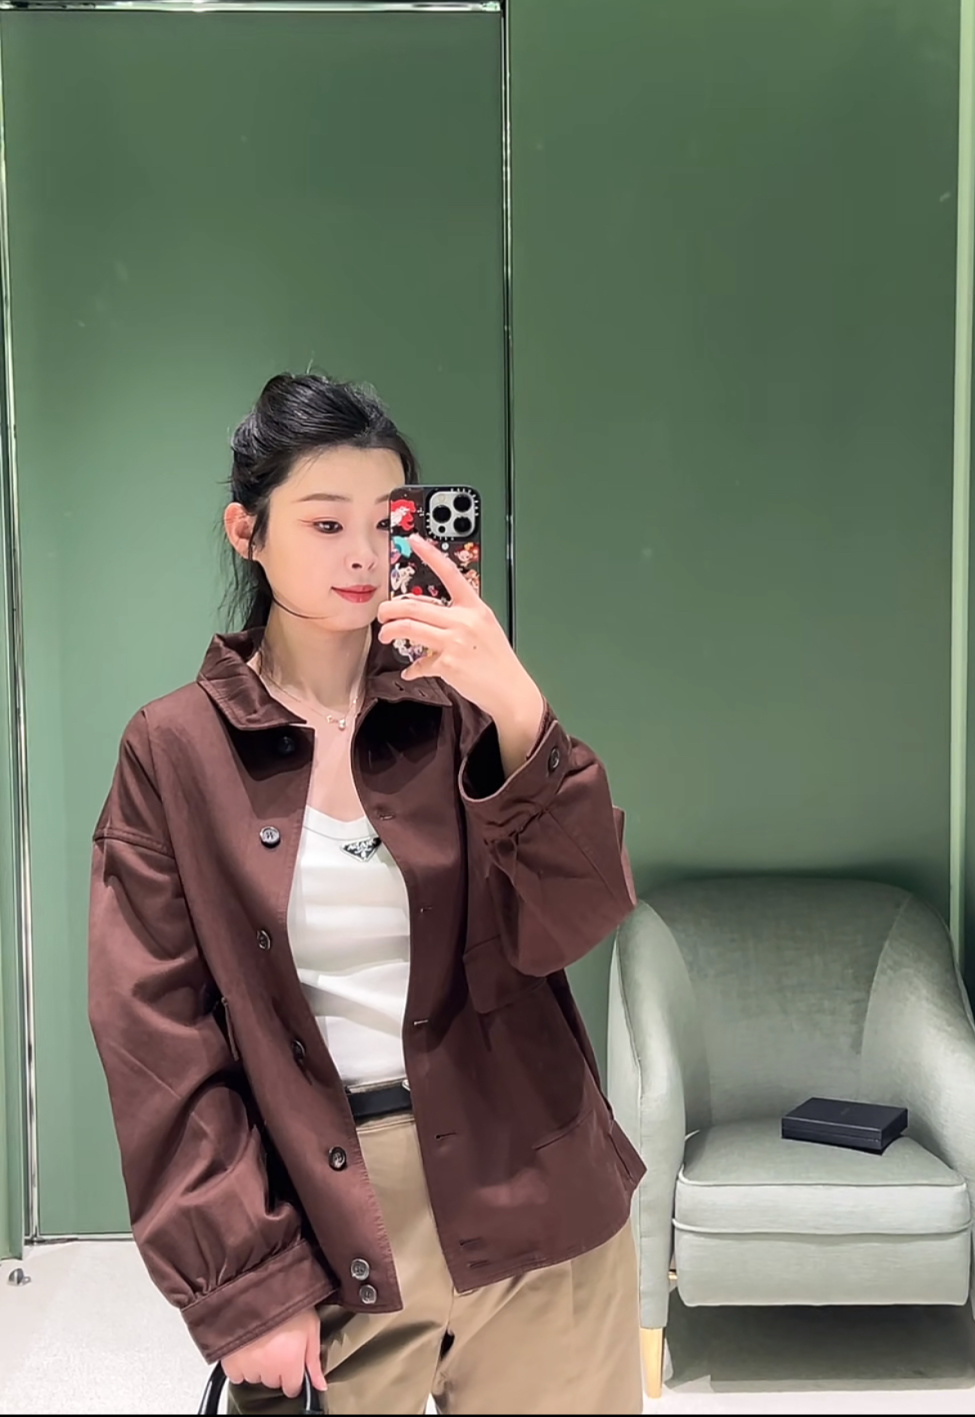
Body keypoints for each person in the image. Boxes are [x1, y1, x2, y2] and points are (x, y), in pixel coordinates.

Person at [88, 374, 645, 1415]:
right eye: (324, 521)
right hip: (325, 1221)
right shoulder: (173, 750)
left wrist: (516, 704)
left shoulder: (462, 709)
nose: (360, 553)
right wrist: (246, 1283)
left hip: (534, 1187)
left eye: (385, 522)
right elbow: (154, 1035)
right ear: (247, 532)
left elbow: (576, 917)